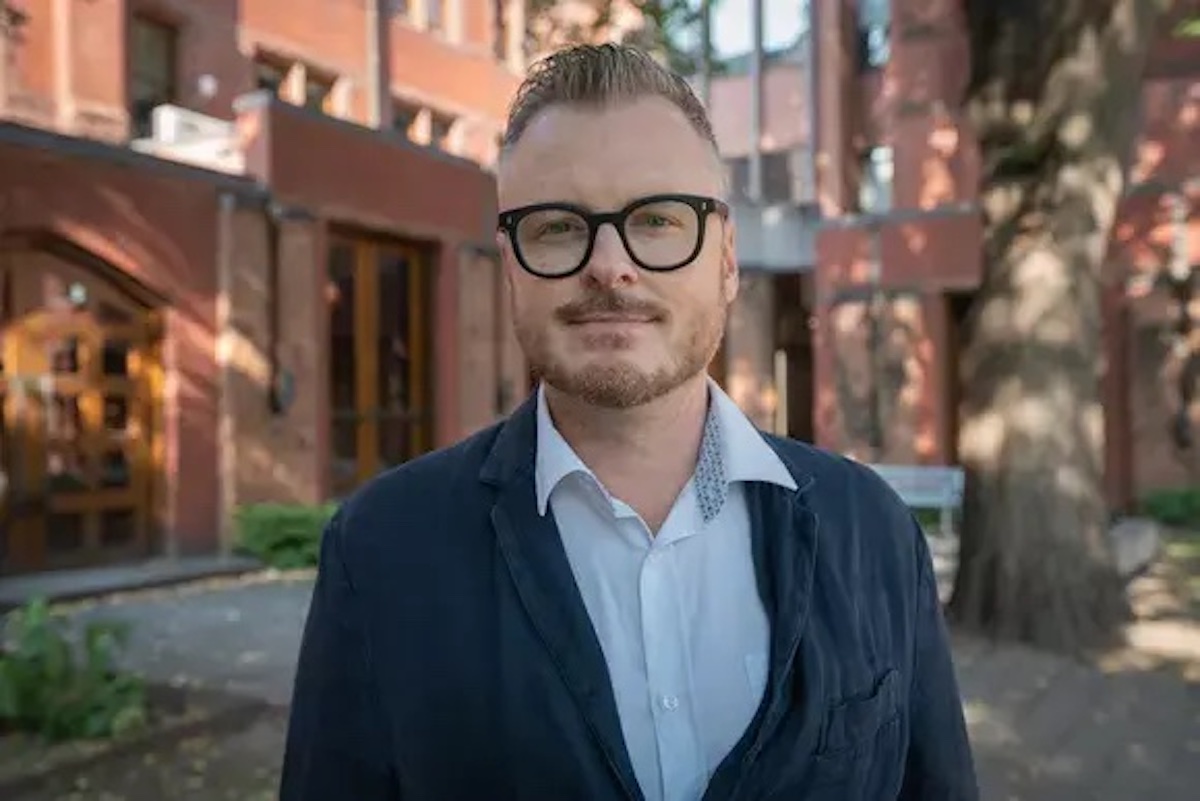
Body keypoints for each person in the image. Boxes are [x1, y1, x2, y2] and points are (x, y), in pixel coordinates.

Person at [280, 43, 977, 801]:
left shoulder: (872, 528)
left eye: (657, 219)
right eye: (555, 226)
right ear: (511, 266)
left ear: (728, 258)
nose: (610, 264)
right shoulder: (382, 549)